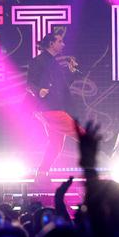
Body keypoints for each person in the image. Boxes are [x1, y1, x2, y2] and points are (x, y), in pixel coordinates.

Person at [27, 30, 82, 180]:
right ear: (51, 44)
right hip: (49, 108)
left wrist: (72, 72)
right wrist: (39, 91)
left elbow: (63, 86)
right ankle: (106, 149)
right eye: (59, 41)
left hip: (54, 107)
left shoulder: (54, 62)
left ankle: (42, 173)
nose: (62, 44)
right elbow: (30, 83)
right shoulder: (39, 61)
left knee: (56, 144)